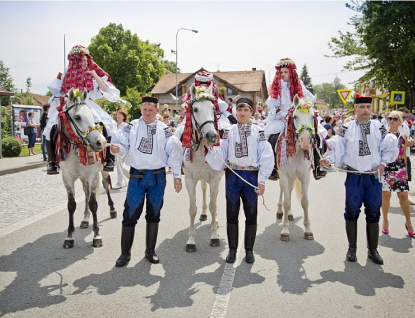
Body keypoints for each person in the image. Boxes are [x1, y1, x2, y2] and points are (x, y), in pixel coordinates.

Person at [320, 94, 399, 265]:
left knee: (373, 213)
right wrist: (328, 159)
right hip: (354, 177)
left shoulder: (380, 127)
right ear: (355, 109)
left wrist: (384, 164)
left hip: (373, 178)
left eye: (368, 107)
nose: (365, 110)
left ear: (371, 109)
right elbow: (336, 146)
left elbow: (390, 146)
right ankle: (352, 248)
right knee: (351, 212)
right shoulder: (346, 128)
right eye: (361, 107)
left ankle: (373, 250)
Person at [110, 96, 183, 267]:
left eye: (151, 110)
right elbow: (123, 144)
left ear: (157, 110)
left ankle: (150, 250)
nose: (147, 113)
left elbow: (173, 152)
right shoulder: (132, 126)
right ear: (141, 109)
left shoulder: (164, 129)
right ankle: (124, 253)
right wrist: (117, 148)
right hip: (137, 176)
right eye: (144, 109)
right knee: (130, 213)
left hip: (157, 176)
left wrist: (177, 176)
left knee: (154, 214)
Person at [205, 98, 274, 264]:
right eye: (239, 110)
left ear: (251, 113)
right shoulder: (229, 131)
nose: (242, 113)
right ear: (236, 112)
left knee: (251, 214)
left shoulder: (259, 131)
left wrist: (262, 180)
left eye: (246, 110)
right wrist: (211, 148)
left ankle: (249, 250)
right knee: (232, 214)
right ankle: (232, 250)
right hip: (233, 176)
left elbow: (266, 155)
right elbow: (221, 151)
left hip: (251, 176)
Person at [44, 45, 124, 175]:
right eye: (84, 61)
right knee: (49, 129)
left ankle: (109, 159)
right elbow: (55, 91)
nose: (87, 63)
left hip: (86, 104)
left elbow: (104, 89)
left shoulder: (90, 76)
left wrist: (95, 75)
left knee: (107, 127)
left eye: (87, 61)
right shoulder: (64, 75)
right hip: (68, 105)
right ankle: (52, 162)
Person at [264, 57, 326, 181]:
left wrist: (305, 109)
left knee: (319, 134)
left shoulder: (300, 86)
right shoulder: (276, 87)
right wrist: (280, 114)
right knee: (270, 137)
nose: (283, 75)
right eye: (281, 72)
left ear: (291, 72)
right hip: (282, 118)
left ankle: (318, 166)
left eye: (286, 72)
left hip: (299, 116)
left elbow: (308, 101)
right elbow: (273, 105)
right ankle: (272, 168)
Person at [381, 111, 415, 238]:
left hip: (400, 169)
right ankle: (385, 221)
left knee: (403, 197)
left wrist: (406, 171)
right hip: (387, 168)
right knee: (385, 195)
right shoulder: (383, 135)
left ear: (400, 121)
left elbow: (404, 155)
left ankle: (409, 222)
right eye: (390, 118)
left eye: (395, 119)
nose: (391, 121)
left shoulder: (404, 136)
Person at [112, 109, 129, 190]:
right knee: (118, 164)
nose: (118, 117)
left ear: (123, 117)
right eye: (117, 115)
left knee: (119, 164)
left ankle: (119, 183)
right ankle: (131, 177)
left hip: (124, 148)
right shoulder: (114, 125)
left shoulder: (125, 126)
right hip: (115, 148)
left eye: (120, 115)